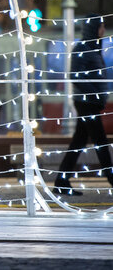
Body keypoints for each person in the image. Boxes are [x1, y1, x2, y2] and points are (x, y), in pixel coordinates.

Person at [54, 15, 113, 196]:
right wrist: (95, 94)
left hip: (91, 104)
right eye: (101, 26)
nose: (103, 30)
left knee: (79, 142)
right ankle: (111, 177)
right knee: (100, 142)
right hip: (86, 103)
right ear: (94, 28)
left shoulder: (93, 48)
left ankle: (61, 181)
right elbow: (76, 75)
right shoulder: (82, 48)